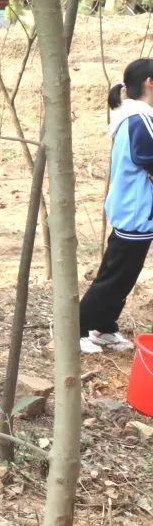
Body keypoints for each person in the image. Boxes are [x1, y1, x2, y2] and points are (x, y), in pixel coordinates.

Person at [78, 59, 153, 353]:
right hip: (136, 210)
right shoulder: (140, 119)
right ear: (149, 82)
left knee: (122, 275)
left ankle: (103, 327)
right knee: (115, 277)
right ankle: (75, 330)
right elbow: (148, 160)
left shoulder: (133, 116)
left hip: (134, 209)